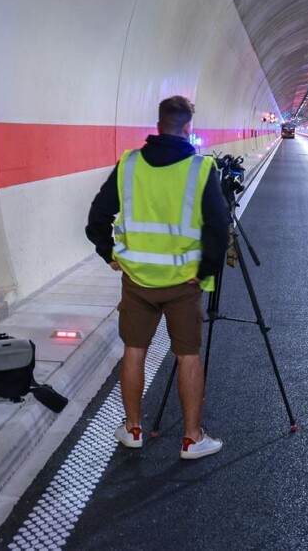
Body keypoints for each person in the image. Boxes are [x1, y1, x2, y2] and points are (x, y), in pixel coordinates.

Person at [86, 96, 230, 460]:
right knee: (188, 356)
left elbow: (96, 218)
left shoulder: (129, 164)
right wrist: (206, 270)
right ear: (187, 128)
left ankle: (133, 429)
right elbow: (218, 226)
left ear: (158, 124)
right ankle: (191, 438)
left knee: (134, 351)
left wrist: (110, 255)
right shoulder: (201, 169)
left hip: (137, 281)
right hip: (183, 282)